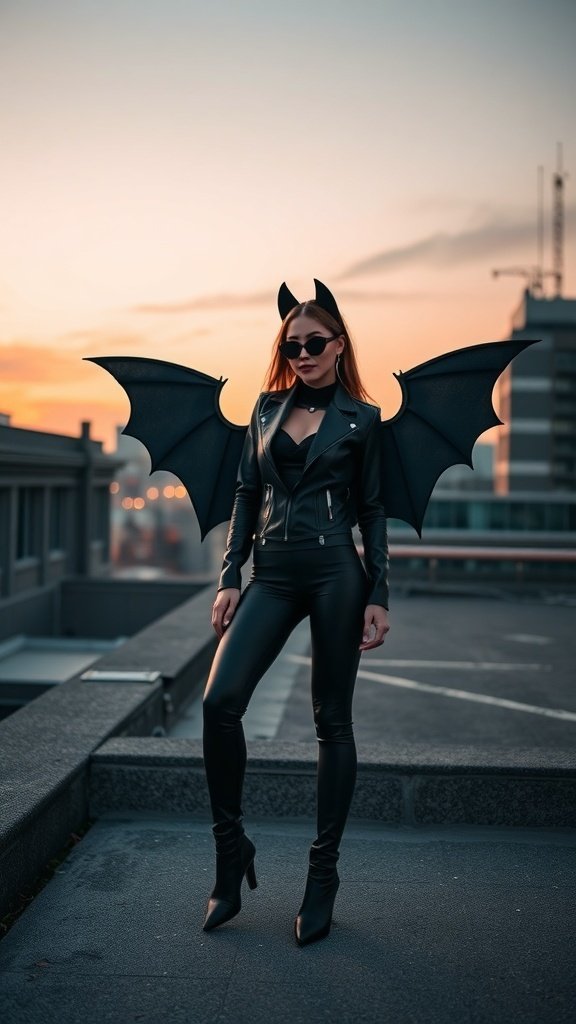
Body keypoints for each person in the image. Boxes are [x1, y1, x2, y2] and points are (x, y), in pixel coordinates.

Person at [202, 280, 390, 946]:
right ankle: (231, 853)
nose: (303, 353)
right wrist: (230, 577)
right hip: (272, 576)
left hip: (338, 573)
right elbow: (245, 496)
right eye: (293, 345)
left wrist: (379, 593)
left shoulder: (361, 420)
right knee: (219, 702)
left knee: (330, 721)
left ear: (339, 345)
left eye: (314, 343)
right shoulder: (264, 408)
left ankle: (322, 875)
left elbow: (371, 510)